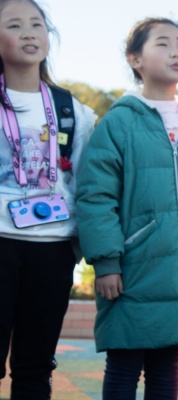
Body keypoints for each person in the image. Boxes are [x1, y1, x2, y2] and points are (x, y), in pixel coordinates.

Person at [75, 17, 178, 398]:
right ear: (135, 59)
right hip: (131, 271)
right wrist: (106, 261)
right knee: (123, 368)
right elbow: (96, 196)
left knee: (167, 371)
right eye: (163, 44)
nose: (176, 52)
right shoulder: (118, 123)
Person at [0, 0, 96, 396]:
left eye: (36, 24)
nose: (28, 32)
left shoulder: (73, 111)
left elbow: (86, 184)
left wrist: (83, 248)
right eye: (14, 25)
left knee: (35, 366)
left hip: (53, 247)